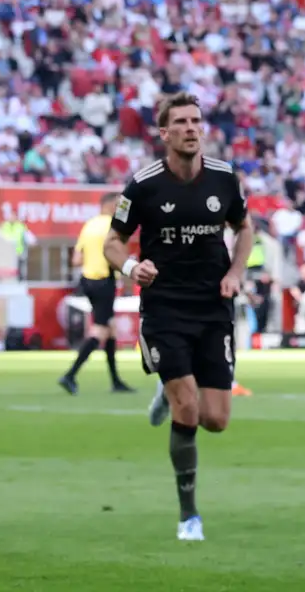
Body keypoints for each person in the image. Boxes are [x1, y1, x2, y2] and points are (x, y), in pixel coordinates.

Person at [102, 92, 253, 542]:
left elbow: (244, 227)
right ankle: (189, 516)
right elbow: (113, 242)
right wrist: (132, 267)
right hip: (165, 307)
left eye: (196, 121)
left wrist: (236, 271)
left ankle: (169, 391)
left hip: (213, 307)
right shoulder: (143, 185)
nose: (191, 128)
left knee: (216, 419)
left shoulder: (225, 179)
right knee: (188, 407)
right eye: (181, 122)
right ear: (164, 133)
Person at [59, 192, 134, 395]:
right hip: (103, 281)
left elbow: (76, 260)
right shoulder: (112, 226)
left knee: (111, 329)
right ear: (110, 205)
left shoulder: (89, 225)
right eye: (118, 204)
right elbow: (118, 257)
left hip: (87, 280)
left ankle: (116, 381)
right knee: (100, 329)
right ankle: (70, 375)